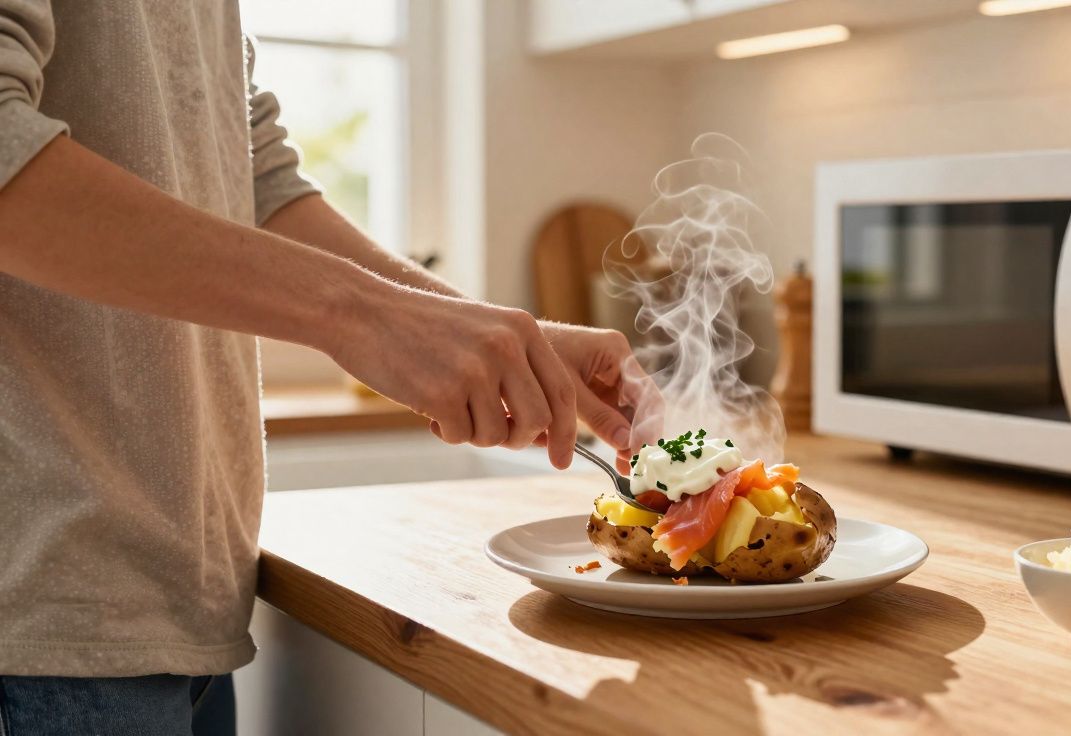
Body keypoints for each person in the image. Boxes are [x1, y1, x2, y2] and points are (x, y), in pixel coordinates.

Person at [0, 3, 655, 733]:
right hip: (37, 618)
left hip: (175, 597)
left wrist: (500, 338)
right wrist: (362, 315)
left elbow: (252, 172)